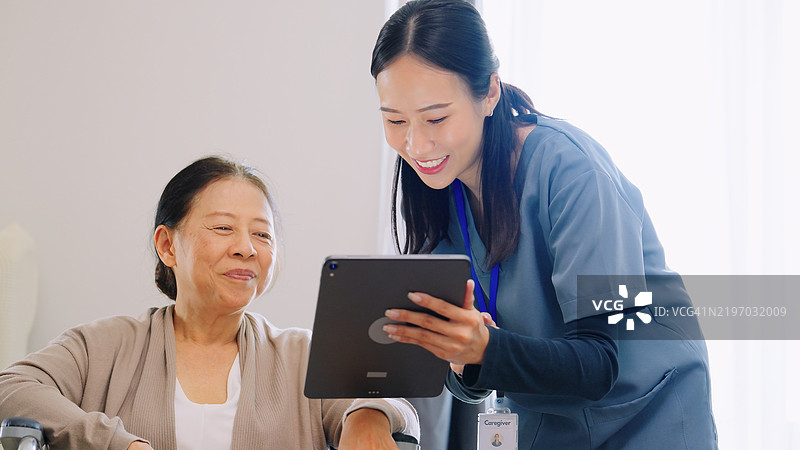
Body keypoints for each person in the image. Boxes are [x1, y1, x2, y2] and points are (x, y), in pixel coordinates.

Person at [370, 1, 717, 448]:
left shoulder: (570, 172)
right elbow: (470, 375)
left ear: (489, 92)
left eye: (436, 118)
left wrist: (484, 349)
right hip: (547, 416)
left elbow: (598, 362)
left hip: (648, 413)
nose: (416, 144)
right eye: (395, 120)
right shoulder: (437, 188)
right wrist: (465, 357)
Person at [0, 156, 419, 449]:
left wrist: (368, 415)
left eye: (262, 234)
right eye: (223, 228)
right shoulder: (105, 346)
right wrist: (115, 444)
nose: (246, 249)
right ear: (167, 245)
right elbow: (11, 388)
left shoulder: (302, 356)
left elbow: (395, 407)